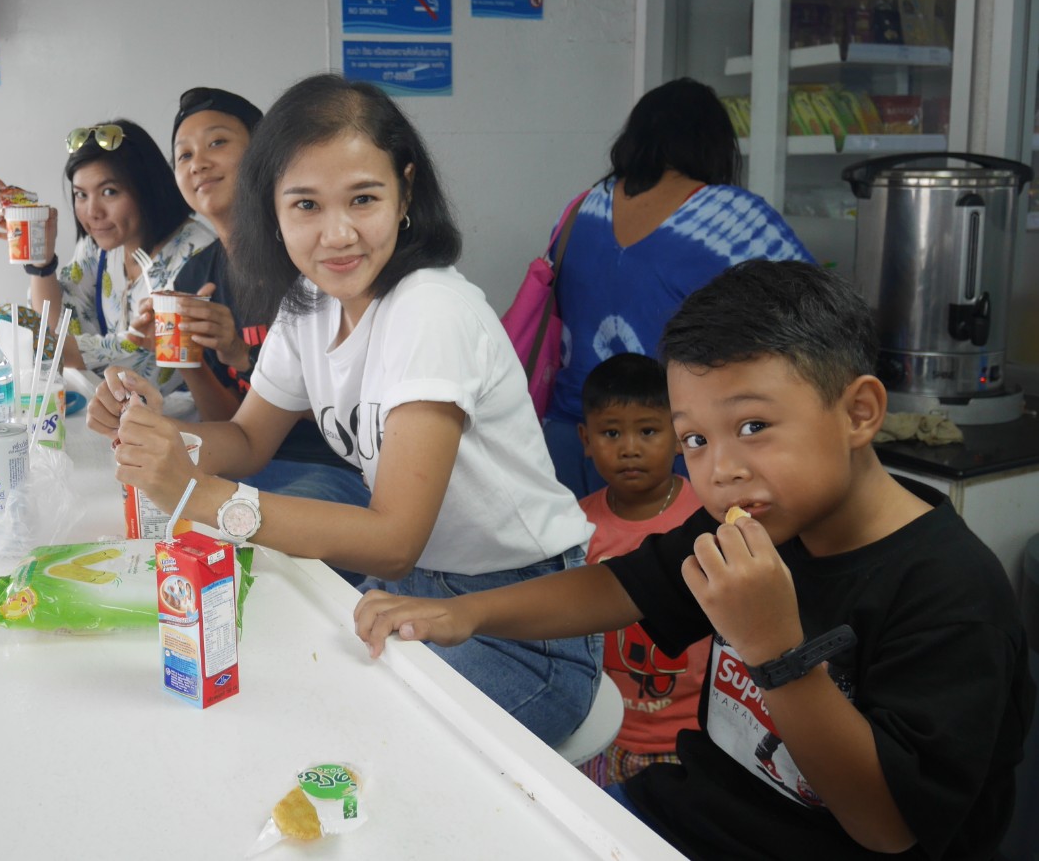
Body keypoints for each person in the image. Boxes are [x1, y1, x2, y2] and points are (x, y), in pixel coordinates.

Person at [355, 260, 1034, 861]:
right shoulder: (759, 519)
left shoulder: (951, 593)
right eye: (696, 440)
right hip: (685, 819)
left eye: (753, 427)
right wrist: (464, 613)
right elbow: (619, 587)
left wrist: (775, 651)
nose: (721, 471)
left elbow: (887, 826)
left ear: (859, 413)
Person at [89, 73, 600, 746]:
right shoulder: (308, 304)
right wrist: (153, 434)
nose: (337, 234)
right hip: (414, 593)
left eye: (363, 198)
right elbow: (247, 440)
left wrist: (202, 494)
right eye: (305, 204)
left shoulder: (429, 311)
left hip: (524, 627)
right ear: (272, 210)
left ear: (405, 192)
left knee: (331, 739)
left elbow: (393, 540)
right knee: (273, 701)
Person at [537, 77, 813, 499]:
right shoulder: (730, 216)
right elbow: (819, 317)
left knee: (582, 543)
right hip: (670, 451)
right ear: (713, 144)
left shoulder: (582, 208)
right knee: (677, 547)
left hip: (574, 438)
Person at [166, 87, 371, 507]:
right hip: (247, 463)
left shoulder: (315, 259)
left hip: (333, 466)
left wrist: (243, 355)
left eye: (217, 143)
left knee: (235, 529)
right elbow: (231, 428)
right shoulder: (194, 276)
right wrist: (187, 357)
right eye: (184, 155)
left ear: (264, 155)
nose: (198, 163)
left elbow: (357, 409)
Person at [0, 118, 216, 384]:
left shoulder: (196, 256)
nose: (93, 212)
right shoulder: (102, 246)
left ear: (147, 187)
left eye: (109, 192)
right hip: (109, 401)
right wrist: (41, 262)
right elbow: (53, 325)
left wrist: (13, 343)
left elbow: (134, 352)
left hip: (175, 409)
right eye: (81, 195)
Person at [572, 353, 706, 787]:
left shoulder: (708, 519)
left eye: (648, 431)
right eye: (611, 433)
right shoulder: (574, 527)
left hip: (694, 736)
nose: (629, 447)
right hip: (602, 731)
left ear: (679, 436)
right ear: (586, 439)